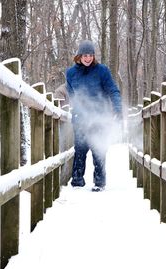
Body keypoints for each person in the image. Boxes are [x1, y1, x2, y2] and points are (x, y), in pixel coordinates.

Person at [65, 40, 122, 192]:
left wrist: (117, 108)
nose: (88, 58)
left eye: (90, 55)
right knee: (80, 149)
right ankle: (77, 182)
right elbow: (72, 95)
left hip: (100, 116)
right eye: (85, 55)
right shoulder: (70, 73)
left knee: (98, 148)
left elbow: (113, 90)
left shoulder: (102, 71)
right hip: (81, 118)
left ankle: (99, 183)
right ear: (79, 56)